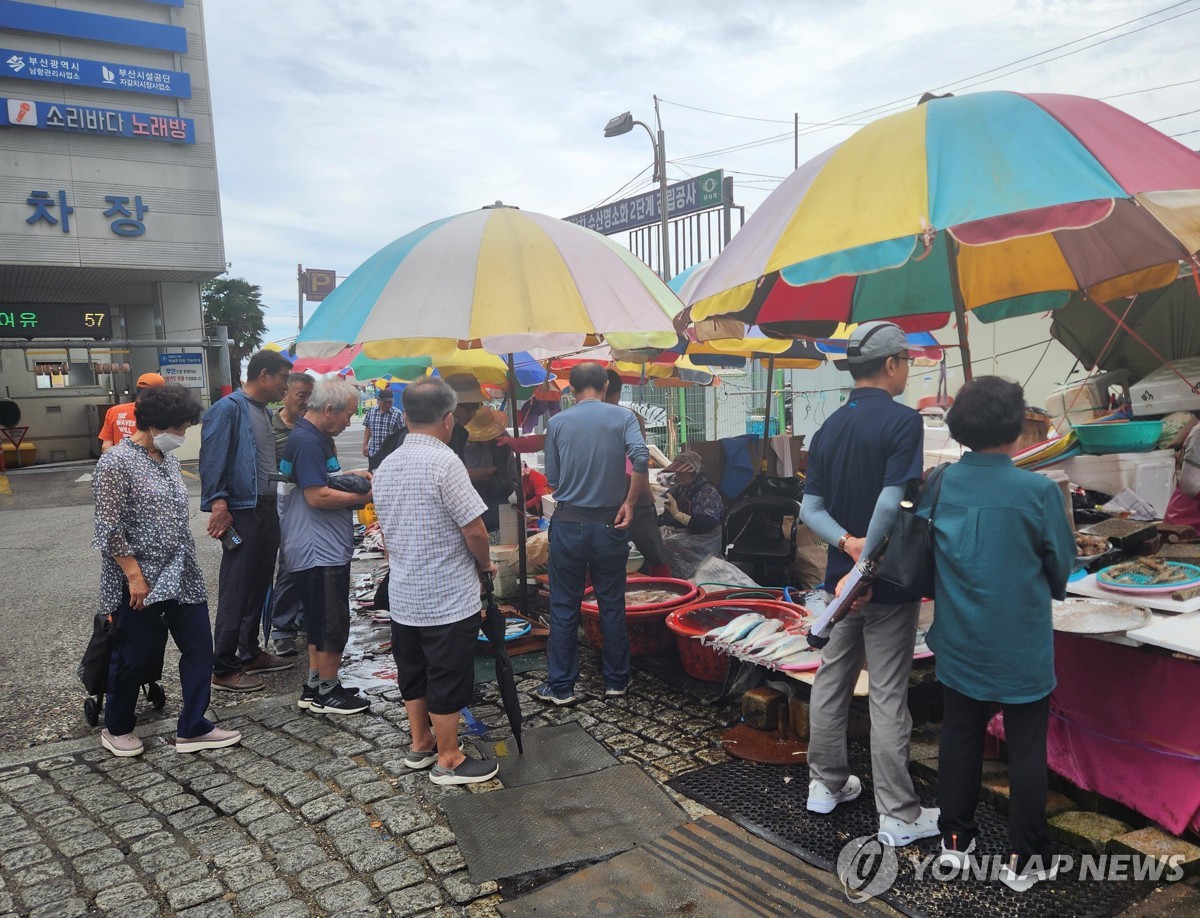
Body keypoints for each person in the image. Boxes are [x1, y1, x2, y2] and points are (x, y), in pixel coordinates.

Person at [922, 377, 1074, 891]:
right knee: (1027, 748)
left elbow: (925, 551)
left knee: (960, 737)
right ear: (1016, 429)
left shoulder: (940, 483)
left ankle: (956, 842)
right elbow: (1061, 570)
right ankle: (1024, 859)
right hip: (1021, 644)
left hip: (960, 639)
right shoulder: (1038, 491)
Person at [799, 321, 939, 846]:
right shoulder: (904, 422)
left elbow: (810, 508)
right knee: (886, 693)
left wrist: (847, 548)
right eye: (906, 360)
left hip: (839, 586)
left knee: (831, 680)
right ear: (892, 364)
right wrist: (868, 559)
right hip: (887, 581)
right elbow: (891, 498)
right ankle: (899, 814)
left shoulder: (829, 427)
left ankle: (824, 784)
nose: (907, 369)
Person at [92, 384, 241, 757]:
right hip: (138, 576)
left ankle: (193, 726)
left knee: (198, 647)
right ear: (157, 424)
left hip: (181, 571)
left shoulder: (167, 459)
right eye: (181, 429)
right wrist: (133, 575)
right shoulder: (115, 463)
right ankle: (117, 726)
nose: (183, 436)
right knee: (134, 654)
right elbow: (109, 528)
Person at [373, 377, 500, 784]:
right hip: (446, 593)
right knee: (448, 672)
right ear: (448, 419)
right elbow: (475, 530)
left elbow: (386, 532)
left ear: (406, 415)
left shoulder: (388, 464)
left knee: (413, 669)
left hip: (404, 591)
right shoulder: (446, 462)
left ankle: (421, 743)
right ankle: (449, 758)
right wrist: (485, 567)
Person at [537, 362, 648, 705]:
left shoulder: (557, 423)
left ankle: (562, 687)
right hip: (609, 524)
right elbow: (641, 457)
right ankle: (616, 682)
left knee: (564, 605)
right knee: (611, 604)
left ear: (571, 390)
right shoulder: (623, 417)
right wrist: (629, 502)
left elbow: (553, 478)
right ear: (603, 386)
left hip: (568, 523)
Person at [199, 348, 294, 692]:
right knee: (237, 586)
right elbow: (211, 457)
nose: (286, 386)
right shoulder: (229, 409)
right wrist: (218, 502)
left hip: (266, 505)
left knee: (258, 581)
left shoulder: (263, 412)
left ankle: (249, 652)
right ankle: (222, 666)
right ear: (265, 375)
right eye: (284, 379)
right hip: (241, 507)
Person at [278, 378, 372, 715]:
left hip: (313, 546)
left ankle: (316, 684)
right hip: (319, 548)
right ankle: (329, 692)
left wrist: (349, 474)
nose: (349, 421)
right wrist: (364, 496)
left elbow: (319, 480)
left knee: (318, 619)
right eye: (347, 415)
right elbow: (317, 496)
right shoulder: (308, 442)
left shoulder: (310, 437)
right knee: (332, 621)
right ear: (328, 409)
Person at [604, 369, 671, 578]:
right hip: (632, 498)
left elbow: (635, 458)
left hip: (621, 499)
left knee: (600, 560)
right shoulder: (631, 417)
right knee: (655, 557)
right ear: (619, 391)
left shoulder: (628, 417)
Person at [268, 372, 315, 657]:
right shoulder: (268, 426)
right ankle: (282, 629)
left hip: (311, 503)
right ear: (285, 394)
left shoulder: (313, 425)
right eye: (302, 395)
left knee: (312, 564)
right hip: (281, 506)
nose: (307, 402)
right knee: (289, 565)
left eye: (311, 396)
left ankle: (304, 618)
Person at [658, 450, 725, 577]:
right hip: (682, 538)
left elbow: (707, 523)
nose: (679, 475)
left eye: (684, 472)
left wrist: (679, 516)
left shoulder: (708, 492)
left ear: (696, 473)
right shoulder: (677, 490)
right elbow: (664, 514)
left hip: (704, 542)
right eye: (677, 472)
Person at [463, 407, 517, 533]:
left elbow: (511, 470)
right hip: (470, 496)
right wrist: (477, 475)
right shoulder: (460, 439)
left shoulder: (502, 438)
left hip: (498, 496)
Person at [98, 372, 166, 452]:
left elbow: (106, 447)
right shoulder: (159, 413)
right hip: (149, 461)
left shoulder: (114, 411)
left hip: (119, 459)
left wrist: (115, 459)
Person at [445, 373, 485, 459]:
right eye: (469, 408)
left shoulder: (460, 433)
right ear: (453, 406)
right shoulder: (442, 435)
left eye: (477, 407)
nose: (473, 414)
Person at [362, 386, 404, 461]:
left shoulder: (397, 414)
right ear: (378, 400)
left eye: (390, 402)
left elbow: (401, 434)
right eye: (385, 402)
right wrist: (365, 444)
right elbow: (368, 428)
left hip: (390, 454)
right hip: (373, 452)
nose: (387, 405)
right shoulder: (371, 411)